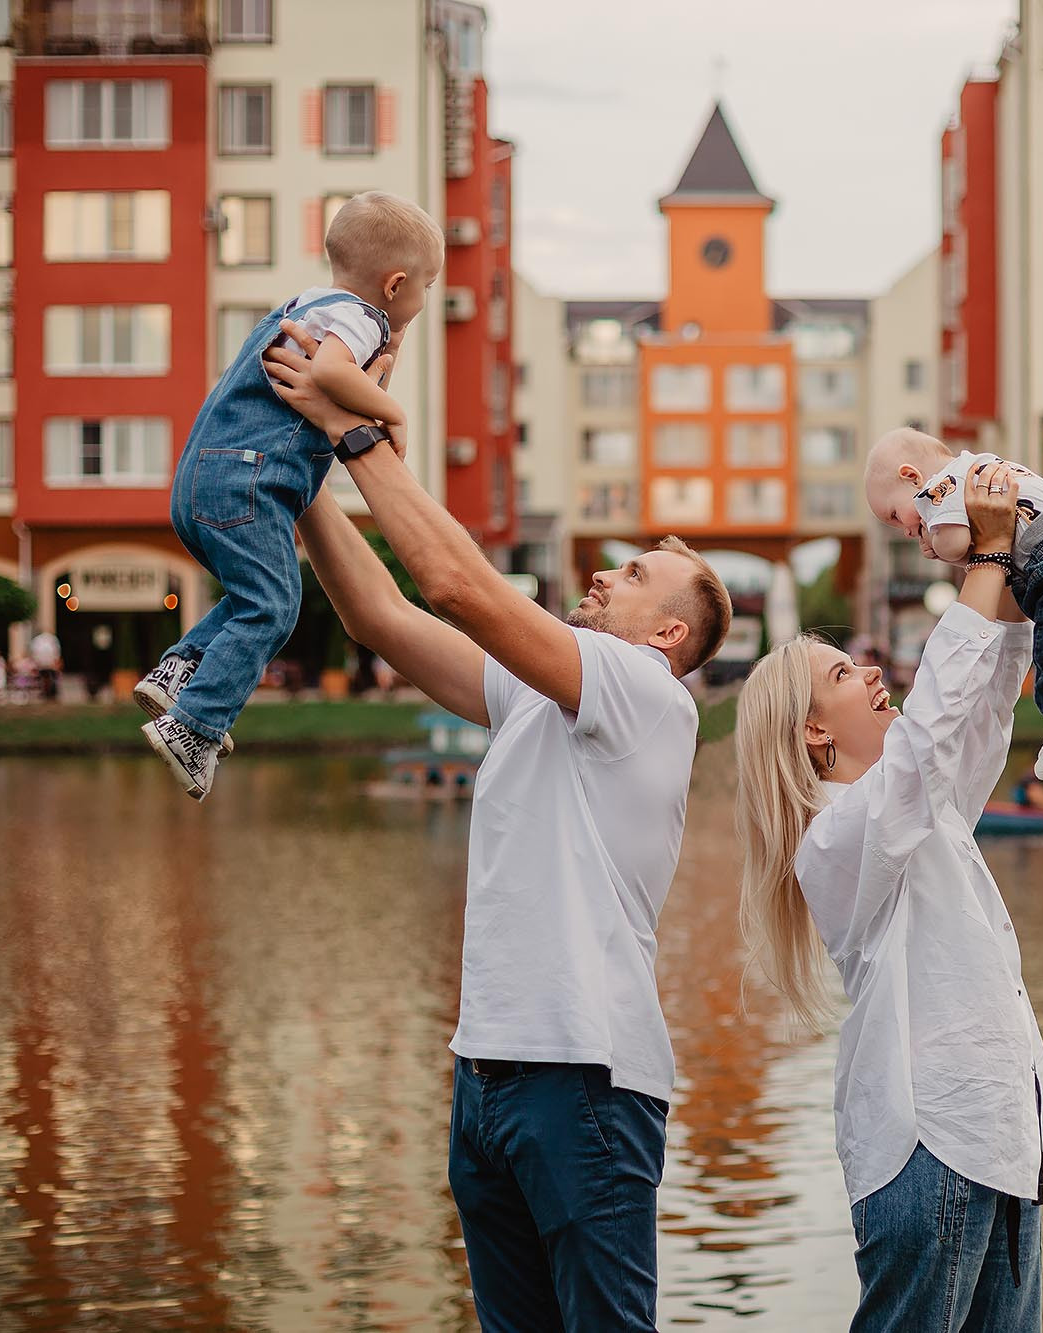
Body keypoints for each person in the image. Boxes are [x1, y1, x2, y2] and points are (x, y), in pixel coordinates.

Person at [266, 323, 733, 1331]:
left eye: (633, 575)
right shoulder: (539, 691)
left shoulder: (643, 688)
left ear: (665, 634)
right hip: (487, 1069)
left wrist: (356, 433)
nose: (604, 574)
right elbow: (384, 619)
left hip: (586, 1079)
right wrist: (304, 479)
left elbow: (457, 586)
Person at [735, 462, 1043, 1330]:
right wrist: (983, 559)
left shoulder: (917, 810)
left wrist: (1014, 586)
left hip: (1003, 1137)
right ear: (812, 730)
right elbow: (925, 742)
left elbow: (977, 720)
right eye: (844, 673)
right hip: (934, 1147)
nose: (871, 670)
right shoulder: (835, 839)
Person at [136, 190, 443, 799]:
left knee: (257, 598)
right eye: (427, 286)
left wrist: (385, 363)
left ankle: (179, 673)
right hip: (246, 481)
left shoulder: (312, 305)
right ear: (396, 283)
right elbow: (332, 376)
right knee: (275, 608)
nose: (425, 300)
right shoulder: (359, 317)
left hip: (207, 482)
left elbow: (348, 373)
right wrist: (393, 411)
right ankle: (193, 726)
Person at [864, 427, 1043, 781]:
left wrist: (935, 543)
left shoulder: (940, 487)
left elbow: (958, 543)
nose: (908, 531)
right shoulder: (983, 464)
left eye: (896, 516)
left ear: (911, 477)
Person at [30, 631, 62, 702]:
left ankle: (50, 694)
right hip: (44, 664)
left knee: (49, 679)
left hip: (47, 664)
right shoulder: (48, 640)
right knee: (46, 679)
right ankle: (47, 694)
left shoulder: (50, 640)